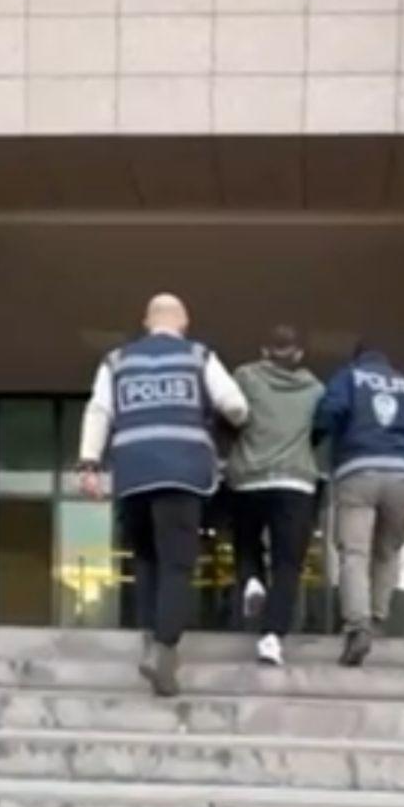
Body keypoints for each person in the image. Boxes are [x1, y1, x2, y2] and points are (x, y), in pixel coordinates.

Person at [78, 293, 248, 696]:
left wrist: (88, 464)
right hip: (182, 474)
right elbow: (236, 406)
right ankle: (163, 648)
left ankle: (150, 637)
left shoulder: (117, 360)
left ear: (146, 322)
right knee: (177, 564)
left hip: (133, 475)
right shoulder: (198, 355)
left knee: (146, 560)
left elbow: (98, 411)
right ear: (183, 321)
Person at [314, 342, 404, 667]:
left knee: (355, 554)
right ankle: (377, 617)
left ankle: (357, 626)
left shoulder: (349, 377)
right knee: (388, 550)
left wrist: (316, 437)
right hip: (400, 475)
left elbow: (330, 412)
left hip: (357, 472)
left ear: (357, 358)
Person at [226, 324, 324, 666]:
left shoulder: (245, 377)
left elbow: (230, 415)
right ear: (299, 354)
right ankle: (271, 637)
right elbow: (320, 430)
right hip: (296, 482)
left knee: (246, 543)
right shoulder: (316, 390)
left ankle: (252, 580)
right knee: (287, 565)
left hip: (249, 479)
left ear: (264, 351)